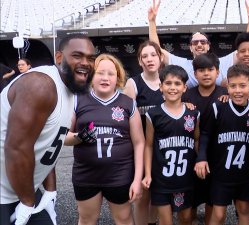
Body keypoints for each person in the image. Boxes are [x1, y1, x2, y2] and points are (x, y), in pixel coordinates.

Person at [0, 34, 96, 225]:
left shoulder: (67, 89)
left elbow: (48, 144)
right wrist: (28, 202)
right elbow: (16, 149)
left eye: (91, 58)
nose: (85, 63)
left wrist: (50, 191)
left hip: (20, 187)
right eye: (77, 55)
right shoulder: (41, 86)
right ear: (59, 57)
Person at [64, 53, 144, 225]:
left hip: (119, 174)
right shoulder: (77, 100)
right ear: (92, 75)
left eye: (111, 73)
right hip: (86, 174)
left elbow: (139, 143)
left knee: (123, 219)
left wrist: (137, 179)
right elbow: (63, 137)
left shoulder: (128, 103)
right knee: (87, 219)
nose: (105, 78)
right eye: (100, 72)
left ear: (118, 78)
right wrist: (79, 137)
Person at [195, 64, 249, 225]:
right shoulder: (217, 107)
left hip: (244, 173)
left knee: (243, 210)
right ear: (227, 87)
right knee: (219, 214)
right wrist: (201, 157)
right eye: (233, 86)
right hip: (220, 173)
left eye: (242, 86)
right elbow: (205, 134)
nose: (238, 90)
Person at [147, 0, 249, 88]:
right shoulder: (182, 64)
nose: (199, 44)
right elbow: (157, 50)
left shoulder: (222, 62)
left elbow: (245, 46)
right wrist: (152, 22)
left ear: (208, 46)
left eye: (203, 42)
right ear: (190, 48)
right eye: (195, 42)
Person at [142, 65, 200, 225]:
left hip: (186, 179)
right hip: (161, 180)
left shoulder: (193, 114)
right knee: (165, 221)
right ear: (161, 87)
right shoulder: (153, 114)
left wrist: (201, 161)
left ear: (184, 87)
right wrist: (147, 174)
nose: (172, 87)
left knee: (186, 219)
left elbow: (196, 141)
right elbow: (148, 145)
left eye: (177, 83)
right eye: (168, 83)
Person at [181, 52, 227, 225]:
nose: (206, 73)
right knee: (190, 202)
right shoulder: (186, 96)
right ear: (195, 74)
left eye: (210, 69)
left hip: (217, 156)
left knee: (211, 199)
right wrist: (181, 104)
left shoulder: (226, 94)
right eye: (201, 70)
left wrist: (231, 100)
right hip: (191, 154)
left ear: (217, 72)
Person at [124, 40, 164, 225]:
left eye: (153, 55)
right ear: (139, 61)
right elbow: (126, 121)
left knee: (158, 194)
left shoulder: (169, 81)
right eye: (144, 56)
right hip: (140, 148)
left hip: (163, 147)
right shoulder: (133, 84)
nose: (149, 59)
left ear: (160, 57)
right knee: (142, 195)